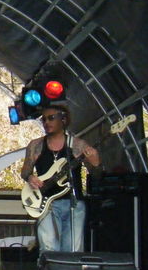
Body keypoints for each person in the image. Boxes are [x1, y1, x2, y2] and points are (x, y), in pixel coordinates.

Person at [20, 105, 101, 253]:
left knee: (73, 250)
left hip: (74, 202)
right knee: (49, 247)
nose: (46, 122)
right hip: (46, 203)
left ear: (63, 119)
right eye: (44, 119)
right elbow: (25, 171)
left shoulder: (77, 145)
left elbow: (96, 175)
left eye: (51, 118)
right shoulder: (35, 145)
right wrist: (30, 177)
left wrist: (95, 162)